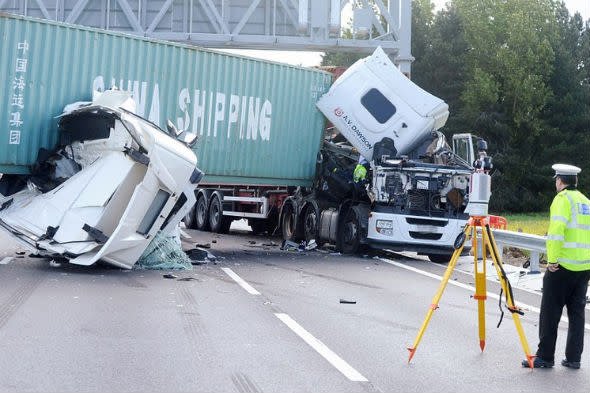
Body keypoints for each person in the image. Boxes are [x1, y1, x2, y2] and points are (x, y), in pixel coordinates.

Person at [523, 164, 590, 369]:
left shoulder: (562, 199)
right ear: (575, 182)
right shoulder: (586, 202)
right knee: (577, 314)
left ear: (560, 181)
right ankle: (573, 358)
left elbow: (557, 232)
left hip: (562, 267)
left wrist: (552, 260)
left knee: (550, 313)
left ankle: (545, 357)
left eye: (556, 180)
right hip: (583, 267)